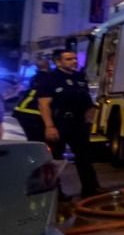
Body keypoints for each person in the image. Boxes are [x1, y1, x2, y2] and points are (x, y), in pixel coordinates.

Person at [36, 48, 103, 201]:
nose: (73, 61)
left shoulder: (79, 77)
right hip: (59, 123)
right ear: (58, 62)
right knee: (55, 159)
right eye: (68, 59)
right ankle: (56, 194)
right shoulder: (49, 78)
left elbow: (87, 101)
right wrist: (49, 126)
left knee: (84, 157)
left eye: (74, 58)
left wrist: (89, 118)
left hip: (78, 124)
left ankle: (91, 188)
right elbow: (44, 105)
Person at [10, 54, 51, 142]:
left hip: (21, 112)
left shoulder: (35, 77)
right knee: (37, 141)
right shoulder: (49, 77)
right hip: (34, 115)